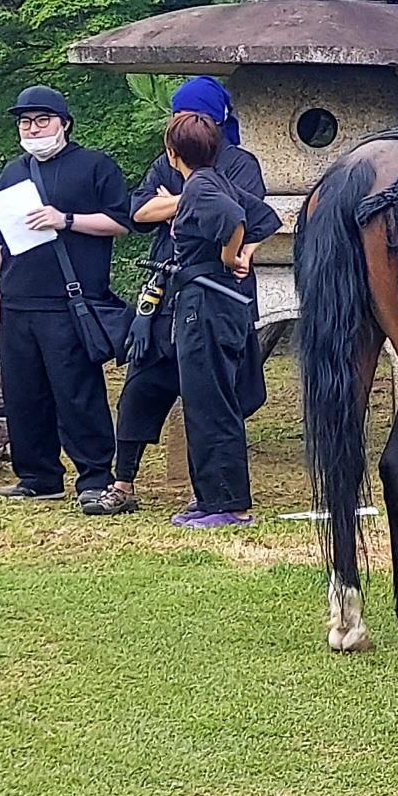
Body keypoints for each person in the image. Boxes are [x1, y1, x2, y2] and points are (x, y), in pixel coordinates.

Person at [105, 78, 278, 517]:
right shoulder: (188, 170)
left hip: (212, 293)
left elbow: (241, 215)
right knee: (143, 386)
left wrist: (203, 223)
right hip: (168, 292)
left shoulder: (233, 166)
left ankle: (222, 499)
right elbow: (140, 212)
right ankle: (124, 481)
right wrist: (190, 199)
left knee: (214, 396)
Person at [0, 85, 130, 508]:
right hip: (18, 299)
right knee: (23, 393)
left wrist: (67, 219)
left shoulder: (95, 166)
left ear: (64, 123)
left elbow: (120, 220)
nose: (33, 128)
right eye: (25, 122)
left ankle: (96, 475)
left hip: (69, 301)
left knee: (76, 391)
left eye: (42, 120)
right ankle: (38, 476)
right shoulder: (11, 172)